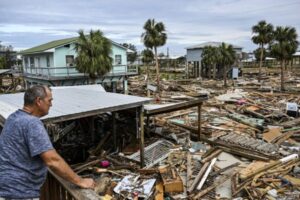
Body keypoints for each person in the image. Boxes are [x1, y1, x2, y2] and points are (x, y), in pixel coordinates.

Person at [0, 85, 95, 199]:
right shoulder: (32, 123)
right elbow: (52, 161)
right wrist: (80, 181)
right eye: (49, 100)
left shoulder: (13, 118)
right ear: (39, 101)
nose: (51, 104)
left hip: (6, 187)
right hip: (20, 192)